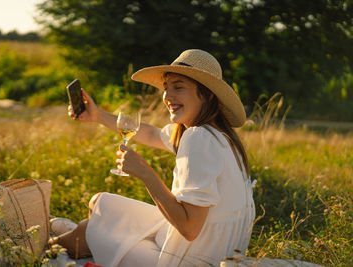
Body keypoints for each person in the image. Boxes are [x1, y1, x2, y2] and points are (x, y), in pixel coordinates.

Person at [50, 49, 256, 267]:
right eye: (166, 88)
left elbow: (189, 228)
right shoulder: (218, 136)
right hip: (212, 251)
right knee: (101, 205)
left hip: (188, 259)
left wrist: (145, 173)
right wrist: (98, 115)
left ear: (207, 94)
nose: (167, 97)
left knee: (96, 221)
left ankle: (43, 247)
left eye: (179, 87)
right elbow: (152, 134)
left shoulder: (199, 138)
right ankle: (65, 234)